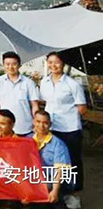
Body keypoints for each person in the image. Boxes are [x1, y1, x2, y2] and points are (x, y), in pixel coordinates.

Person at [39, 51, 87, 204]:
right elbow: (44, 102)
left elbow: (82, 108)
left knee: (72, 160)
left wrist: (68, 116)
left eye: (57, 62)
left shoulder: (72, 84)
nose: (53, 65)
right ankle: (57, 189)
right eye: (50, 62)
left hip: (69, 128)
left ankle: (74, 191)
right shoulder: (44, 82)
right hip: (51, 127)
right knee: (55, 161)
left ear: (63, 64)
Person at [0, 51, 39, 136]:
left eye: (14, 64)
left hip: (25, 128)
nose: (10, 67)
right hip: (4, 128)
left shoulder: (28, 83)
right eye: (7, 64)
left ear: (19, 65)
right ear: (4, 65)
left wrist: (36, 123)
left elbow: (34, 105)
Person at [32, 110, 72, 206]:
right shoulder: (28, 139)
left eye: (45, 123)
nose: (41, 126)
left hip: (52, 180)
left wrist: (55, 191)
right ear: (33, 122)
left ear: (50, 124)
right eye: (38, 122)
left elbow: (60, 170)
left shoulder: (58, 144)